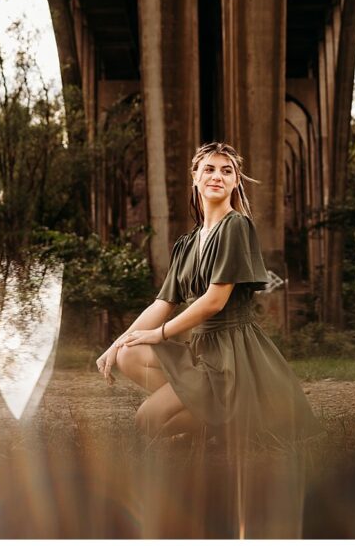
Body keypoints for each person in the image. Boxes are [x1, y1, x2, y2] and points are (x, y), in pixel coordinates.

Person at [96, 142, 323, 446]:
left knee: (147, 420)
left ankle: (236, 419)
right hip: (201, 349)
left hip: (232, 351)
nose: (217, 176)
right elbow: (162, 302)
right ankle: (220, 419)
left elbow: (214, 302)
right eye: (209, 169)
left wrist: (159, 334)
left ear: (236, 181)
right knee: (128, 354)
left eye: (226, 171)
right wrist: (118, 341)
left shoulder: (236, 226)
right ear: (195, 177)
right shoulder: (187, 243)